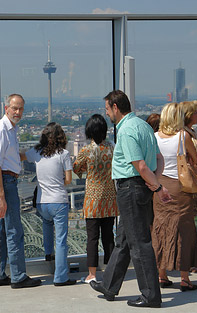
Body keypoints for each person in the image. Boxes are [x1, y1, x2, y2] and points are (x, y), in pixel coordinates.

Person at [89, 90, 171, 308]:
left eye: (107, 109)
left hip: (130, 189)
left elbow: (141, 166)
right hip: (141, 187)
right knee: (124, 239)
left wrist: (158, 186)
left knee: (139, 244)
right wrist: (154, 182)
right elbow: (158, 159)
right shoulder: (144, 126)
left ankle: (150, 296)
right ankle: (109, 285)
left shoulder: (126, 130)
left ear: (115, 107)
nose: (107, 114)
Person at [0, 93, 41, 289]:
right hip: (5, 182)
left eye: (21, 109)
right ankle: (18, 276)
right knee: (14, 230)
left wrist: (32, 155)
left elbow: (10, 157)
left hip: (7, 180)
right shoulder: (1, 130)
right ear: (6, 108)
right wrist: (1, 196)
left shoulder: (10, 130)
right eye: (14, 108)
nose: (18, 112)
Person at [151, 103, 197, 292]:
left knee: (161, 229)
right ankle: (184, 278)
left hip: (160, 187)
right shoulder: (183, 136)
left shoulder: (154, 137)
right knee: (184, 231)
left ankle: (161, 275)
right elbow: (194, 159)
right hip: (180, 187)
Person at [21, 122, 76, 286]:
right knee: (61, 240)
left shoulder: (37, 152)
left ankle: (47, 253)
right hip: (58, 201)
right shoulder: (64, 154)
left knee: (46, 224)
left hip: (42, 202)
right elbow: (68, 179)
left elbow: (21, 156)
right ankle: (60, 277)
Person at [73, 114, 118, 284]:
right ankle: (111, 270)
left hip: (92, 199)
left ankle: (92, 274)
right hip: (110, 197)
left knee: (92, 238)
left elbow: (77, 169)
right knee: (109, 237)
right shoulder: (112, 148)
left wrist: (88, 170)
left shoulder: (86, 150)